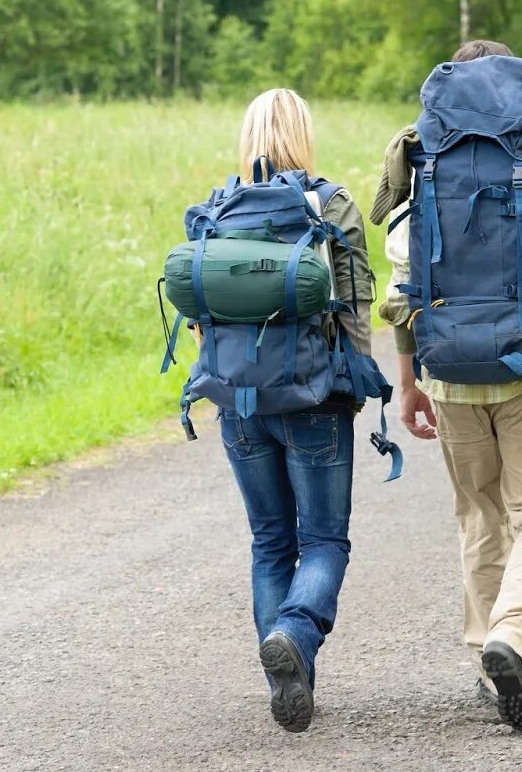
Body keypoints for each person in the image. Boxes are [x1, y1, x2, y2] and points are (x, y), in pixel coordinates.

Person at [375, 40, 522, 732]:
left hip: (448, 370)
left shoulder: (421, 150)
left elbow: (402, 279)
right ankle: (516, 632)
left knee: (480, 513)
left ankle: (489, 654)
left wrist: (409, 375)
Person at [219, 88, 377, 734]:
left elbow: (205, 322)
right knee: (323, 540)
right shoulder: (331, 204)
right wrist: (359, 384)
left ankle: (286, 675)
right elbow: (356, 306)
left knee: (270, 543)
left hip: (241, 403)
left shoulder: (219, 207)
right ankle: (293, 636)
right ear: (304, 135)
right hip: (315, 396)